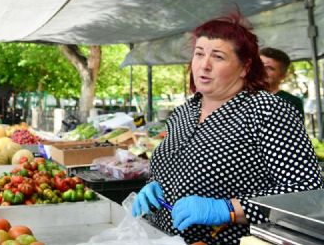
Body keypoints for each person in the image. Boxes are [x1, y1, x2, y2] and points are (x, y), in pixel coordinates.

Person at [132, 13, 323, 244]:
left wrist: (229, 209)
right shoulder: (184, 112)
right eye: (199, 54)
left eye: (218, 57)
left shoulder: (266, 110)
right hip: (164, 237)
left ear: (245, 67)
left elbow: (306, 192)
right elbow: (175, 166)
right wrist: (155, 183)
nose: (204, 64)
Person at [260, 47, 304, 117]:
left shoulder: (291, 102)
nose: (262, 70)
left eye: (269, 68)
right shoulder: (244, 96)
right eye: (259, 65)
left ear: (282, 76)